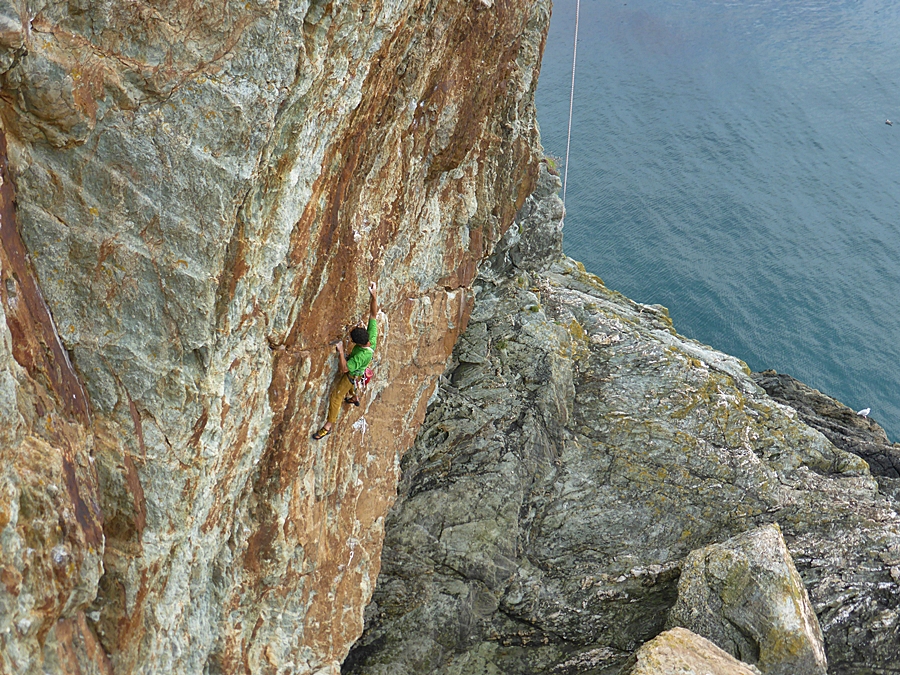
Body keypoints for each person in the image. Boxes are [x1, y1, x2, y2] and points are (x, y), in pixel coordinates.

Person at [313, 281, 378, 439]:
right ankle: (354, 397)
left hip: (352, 374)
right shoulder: (372, 338)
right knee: (352, 383)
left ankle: (328, 426)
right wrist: (374, 295)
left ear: (358, 343)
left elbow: (344, 369)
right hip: (359, 371)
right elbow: (373, 314)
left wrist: (341, 351)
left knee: (336, 396)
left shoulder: (361, 356)